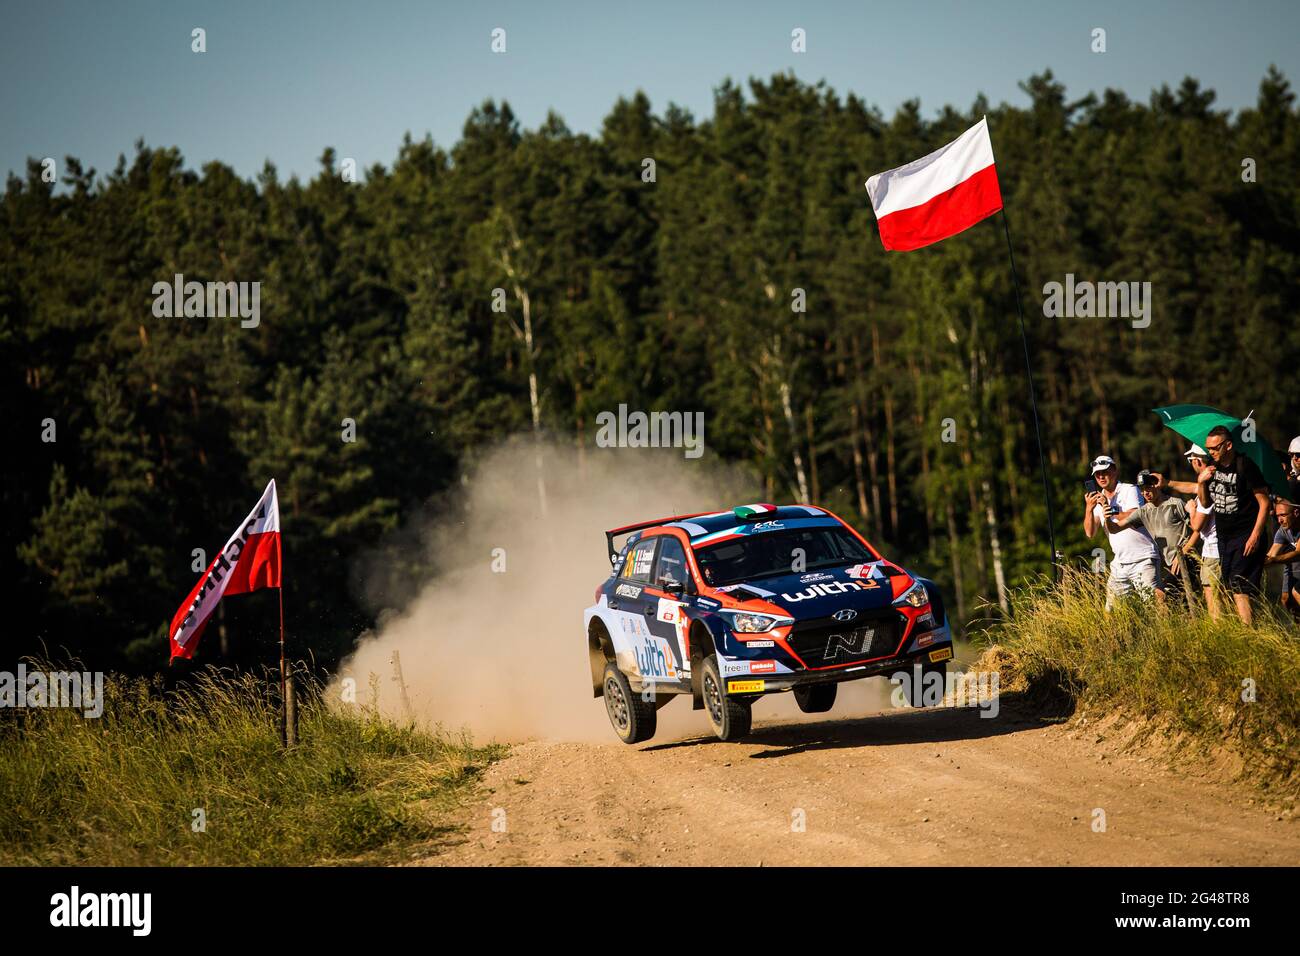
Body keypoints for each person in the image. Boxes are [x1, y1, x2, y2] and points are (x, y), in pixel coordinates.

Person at [1198, 425, 1271, 624]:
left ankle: (1247, 633)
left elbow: (1264, 503)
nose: (1210, 452)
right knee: (1230, 584)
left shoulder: (1245, 465)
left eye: (1214, 448)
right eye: (1208, 449)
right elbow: (1205, 503)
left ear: (1228, 445)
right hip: (1224, 537)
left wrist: (1255, 536)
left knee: (1239, 584)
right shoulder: (1211, 468)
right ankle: (1247, 625)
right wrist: (1201, 482)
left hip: (1245, 534)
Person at [1104, 469, 1191, 605]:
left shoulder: (1175, 503)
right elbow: (1115, 529)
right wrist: (1108, 517)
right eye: (1142, 490)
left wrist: (1183, 554)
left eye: (1148, 488)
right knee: (1179, 603)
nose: (1146, 493)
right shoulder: (1143, 511)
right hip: (1169, 565)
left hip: (1188, 559)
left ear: (1156, 485)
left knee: (1166, 596)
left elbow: (1197, 530)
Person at [1084, 455, 1158, 609]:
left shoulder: (1129, 489)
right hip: (1120, 563)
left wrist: (1109, 508)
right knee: (1111, 611)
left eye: (1105, 472)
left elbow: (1135, 516)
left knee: (1154, 605)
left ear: (1115, 471)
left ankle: (1166, 632)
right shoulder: (1098, 500)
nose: (1101, 477)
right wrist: (1089, 509)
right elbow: (1090, 533)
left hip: (1142, 558)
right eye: (1097, 474)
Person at [1157, 444, 1222, 618]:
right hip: (1222, 547)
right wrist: (1167, 483)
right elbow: (1192, 487)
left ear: (1198, 461)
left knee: (1213, 601)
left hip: (1213, 551)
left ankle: (1219, 635)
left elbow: (1196, 526)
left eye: (1191, 460)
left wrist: (1192, 509)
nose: (1191, 464)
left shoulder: (1206, 489)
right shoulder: (1217, 481)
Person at [1265, 499, 1300, 616]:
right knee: (1286, 599)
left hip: (1297, 560)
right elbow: (1272, 553)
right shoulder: (1282, 530)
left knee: (1297, 593)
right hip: (1294, 565)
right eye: (1278, 516)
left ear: (1296, 513)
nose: (1279, 520)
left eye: (1283, 515)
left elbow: (1298, 553)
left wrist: (1274, 560)